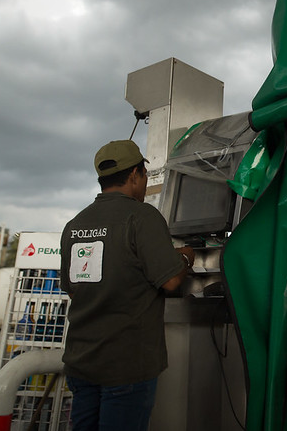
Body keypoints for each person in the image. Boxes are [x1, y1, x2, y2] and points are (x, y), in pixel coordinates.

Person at [60, 139, 193, 431]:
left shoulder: (74, 225)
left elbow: (72, 288)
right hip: (126, 366)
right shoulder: (142, 216)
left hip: (81, 362)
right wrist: (185, 258)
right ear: (135, 175)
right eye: (144, 175)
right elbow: (171, 281)